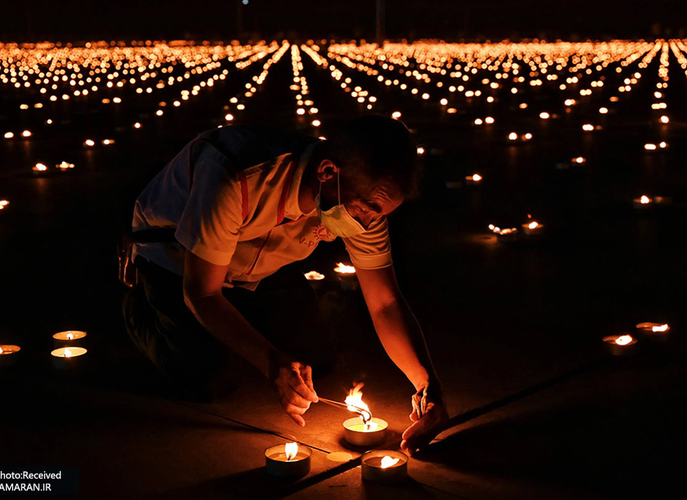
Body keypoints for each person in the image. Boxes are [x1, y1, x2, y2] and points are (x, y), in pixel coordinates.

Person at [123, 115, 448, 454]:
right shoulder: (236, 175)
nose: (370, 223)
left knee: (316, 358)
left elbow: (385, 303)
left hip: (263, 269)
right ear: (327, 172)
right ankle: (136, 305)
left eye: (380, 214)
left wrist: (428, 385)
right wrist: (271, 361)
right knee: (207, 377)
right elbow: (202, 293)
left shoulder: (362, 199)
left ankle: (243, 317)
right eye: (367, 209)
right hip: (179, 261)